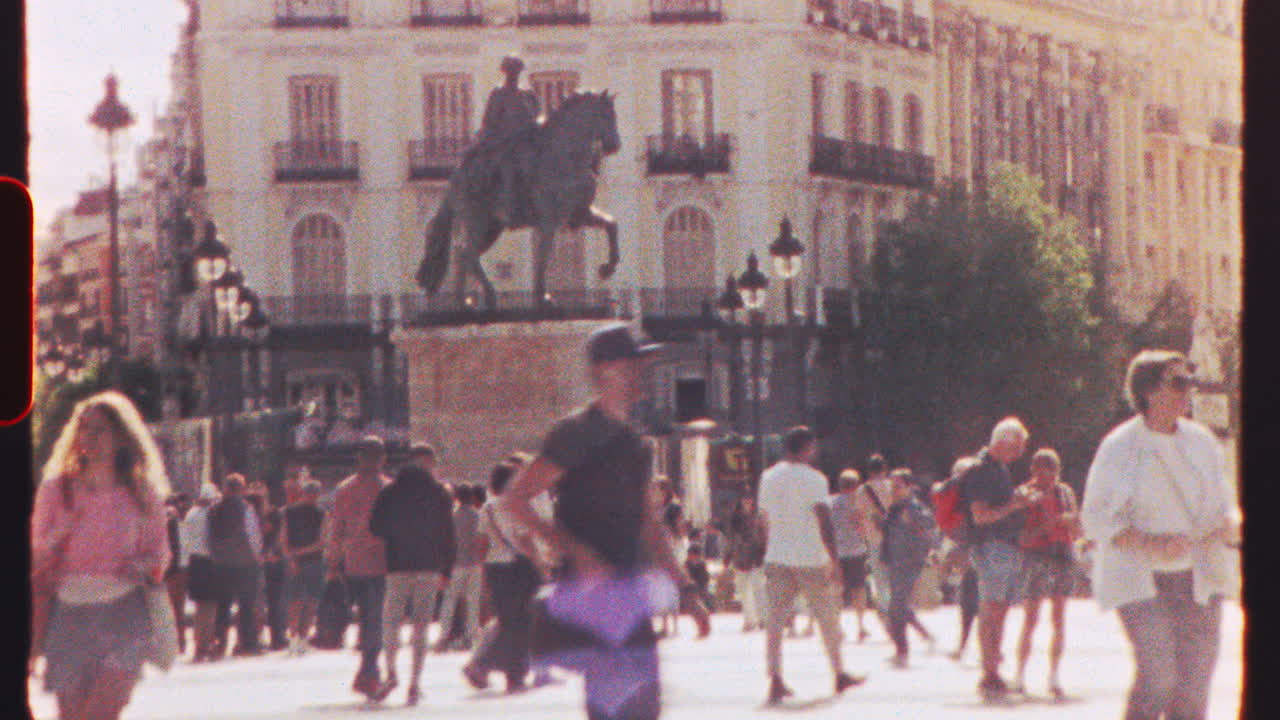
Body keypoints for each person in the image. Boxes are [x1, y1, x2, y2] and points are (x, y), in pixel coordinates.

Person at [500, 323, 709, 720]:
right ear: (605, 370)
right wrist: (577, 553)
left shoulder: (634, 442)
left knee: (643, 707)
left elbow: (650, 523)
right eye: (635, 364)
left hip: (631, 587)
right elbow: (516, 498)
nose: (643, 373)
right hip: (594, 596)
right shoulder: (577, 433)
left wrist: (686, 587)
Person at [1081, 350, 1240, 720]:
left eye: (1191, 383)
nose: (1189, 392)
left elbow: (1225, 501)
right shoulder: (1120, 446)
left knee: (1195, 686)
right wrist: (1148, 542)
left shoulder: (1202, 442)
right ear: (1149, 391)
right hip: (1141, 580)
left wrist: (1231, 521)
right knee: (1160, 677)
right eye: (1179, 383)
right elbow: (1095, 516)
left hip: (1199, 577)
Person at [31, 391, 172, 720]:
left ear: (122, 437)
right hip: (69, 610)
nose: (89, 438)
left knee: (101, 713)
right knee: (72, 715)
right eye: (84, 429)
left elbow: (159, 554)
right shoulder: (57, 490)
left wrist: (141, 567)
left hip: (124, 611)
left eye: (99, 430)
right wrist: (58, 535)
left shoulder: (142, 493)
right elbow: (35, 557)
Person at [757, 426, 865, 704]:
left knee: (775, 622)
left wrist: (769, 548)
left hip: (777, 556)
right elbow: (823, 521)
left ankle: (775, 678)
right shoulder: (815, 479)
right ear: (807, 448)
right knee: (826, 617)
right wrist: (834, 558)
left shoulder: (768, 477)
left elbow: (763, 519)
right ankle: (839, 672)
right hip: (809, 558)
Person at [369, 440, 456, 705]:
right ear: (429, 462)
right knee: (421, 625)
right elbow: (448, 534)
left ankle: (391, 672)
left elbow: (375, 527)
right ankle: (415, 684)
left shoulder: (390, 491)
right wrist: (447, 569)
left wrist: (398, 535)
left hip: (397, 565)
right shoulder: (440, 493)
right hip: (428, 566)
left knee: (391, 620)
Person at [966, 417, 1037, 699]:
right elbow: (980, 515)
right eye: (1017, 447)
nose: (1020, 454)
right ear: (1002, 441)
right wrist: (1016, 504)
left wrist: (1016, 499)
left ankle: (993, 667)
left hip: (1002, 547)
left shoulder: (997, 469)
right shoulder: (982, 469)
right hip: (991, 547)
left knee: (999, 609)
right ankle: (989, 672)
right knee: (992, 609)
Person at [464, 454, 545, 693]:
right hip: (520, 568)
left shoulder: (487, 507)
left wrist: (484, 573)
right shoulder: (516, 504)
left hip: (495, 568)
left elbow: (480, 544)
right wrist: (540, 564)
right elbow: (525, 539)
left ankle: (483, 666)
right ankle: (513, 675)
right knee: (523, 623)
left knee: (508, 621)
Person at [1012, 447, 1081, 697]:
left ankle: (1054, 676)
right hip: (1036, 555)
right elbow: (1020, 535)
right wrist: (1047, 526)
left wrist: (1070, 521)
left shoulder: (1065, 492)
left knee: (1059, 619)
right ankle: (1019, 674)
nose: (1044, 478)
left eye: (1050, 472)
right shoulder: (1024, 494)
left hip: (1062, 554)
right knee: (1031, 619)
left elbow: (1078, 527)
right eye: (1040, 472)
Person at [328, 435, 393, 699]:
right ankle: (368, 674)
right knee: (376, 620)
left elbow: (337, 530)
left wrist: (333, 565)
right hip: (381, 565)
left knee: (371, 620)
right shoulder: (389, 488)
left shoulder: (345, 489)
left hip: (356, 564)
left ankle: (369, 672)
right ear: (383, 458)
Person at [466, 53, 541, 224]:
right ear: (505, 72)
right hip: (506, 143)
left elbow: (538, 114)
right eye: (510, 70)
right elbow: (490, 120)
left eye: (516, 70)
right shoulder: (499, 94)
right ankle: (509, 209)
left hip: (528, 141)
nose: (514, 74)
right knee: (508, 167)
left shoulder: (528, 93)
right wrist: (502, 135)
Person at [880, 468, 939, 668]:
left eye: (898, 486)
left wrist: (912, 521)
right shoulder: (895, 507)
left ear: (908, 487)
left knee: (896, 605)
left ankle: (902, 650)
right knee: (898, 604)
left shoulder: (912, 507)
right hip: (896, 561)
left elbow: (930, 523)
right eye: (892, 486)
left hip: (909, 562)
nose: (894, 490)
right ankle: (917, 638)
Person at [207, 473, 264, 657]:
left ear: (225, 489)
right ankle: (247, 644)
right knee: (246, 605)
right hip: (245, 563)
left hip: (221, 563)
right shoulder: (246, 508)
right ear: (241, 489)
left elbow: (209, 536)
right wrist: (257, 555)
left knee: (222, 606)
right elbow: (252, 533)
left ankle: (219, 643)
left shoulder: (214, 509)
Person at [436, 480, 486, 653]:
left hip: (456, 564)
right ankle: (472, 635)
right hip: (475, 563)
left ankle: (443, 635)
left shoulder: (451, 516)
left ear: (456, 497)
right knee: (473, 601)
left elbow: (445, 543)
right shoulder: (478, 515)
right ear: (472, 498)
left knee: (449, 601)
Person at [939, 456, 980, 662]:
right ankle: (976, 647)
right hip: (975, 553)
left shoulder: (958, 496)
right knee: (972, 603)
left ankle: (973, 647)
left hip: (974, 554)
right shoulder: (972, 494)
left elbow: (951, 529)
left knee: (972, 604)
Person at [282, 478, 326, 656]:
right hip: (313, 560)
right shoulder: (321, 512)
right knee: (310, 602)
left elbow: (283, 538)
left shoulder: (288, 511)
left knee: (295, 601)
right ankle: (302, 638)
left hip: (295, 560)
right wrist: (302, 552)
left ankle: (294, 638)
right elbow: (322, 541)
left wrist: (291, 556)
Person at [829, 469, 871, 642]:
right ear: (856, 485)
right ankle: (860, 626)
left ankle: (837, 628)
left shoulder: (830, 502)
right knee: (858, 589)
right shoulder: (857, 503)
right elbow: (861, 526)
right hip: (855, 551)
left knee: (836, 590)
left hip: (836, 552)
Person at [182, 482, 222, 662]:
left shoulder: (190, 514)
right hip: (209, 561)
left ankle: (199, 644)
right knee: (211, 606)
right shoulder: (210, 515)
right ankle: (204, 645)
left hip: (194, 561)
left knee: (200, 607)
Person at [727, 495, 768, 632]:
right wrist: (730, 555)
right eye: (745, 500)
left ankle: (762, 619)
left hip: (757, 556)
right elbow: (731, 538)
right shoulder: (735, 518)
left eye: (750, 500)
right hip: (741, 557)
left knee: (759, 588)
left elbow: (763, 535)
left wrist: (764, 551)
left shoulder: (759, 516)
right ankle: (749, 620)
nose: (747, 502)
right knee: (744, 590)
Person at [163, 492, 192, 656]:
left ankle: (176, 643)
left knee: (172, 610)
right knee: (177, 609)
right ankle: (180, 643)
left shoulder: (170, 523)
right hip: (179, 570)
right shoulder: (178, 523)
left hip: (171, 571)